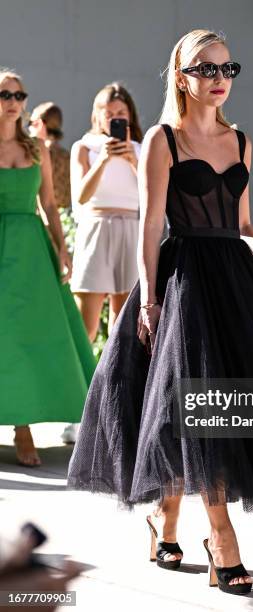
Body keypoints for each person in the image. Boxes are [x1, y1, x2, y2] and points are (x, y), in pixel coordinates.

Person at [68, 30, 253, 595]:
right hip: (183, 284)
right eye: (207, 68)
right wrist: (148, 299)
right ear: (182, 75)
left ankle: (165, 522)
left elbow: (242, 226)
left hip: (236, 286)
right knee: (193, 409)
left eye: (228, 68)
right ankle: (221, 537)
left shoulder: (240, 140)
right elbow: (151, 226)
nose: (220, 79)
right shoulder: (161, 139)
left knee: (213, 409)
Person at [0, 69, 96, 467]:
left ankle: (24, 429)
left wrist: (62, 250)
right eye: (5, 94)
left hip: (31, 251)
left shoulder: (36, 147)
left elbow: (50, 205)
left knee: (28, 334)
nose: (13, 102)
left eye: (20, 95)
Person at [70, 82, 143, 341]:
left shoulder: (141, 148)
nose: (115, 119)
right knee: (85, 326)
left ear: (130, 116)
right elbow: (80, 196)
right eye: (108, 113)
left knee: (122, 324)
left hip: (131, 230)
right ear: (97, 114)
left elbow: (152, 195)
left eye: (120, 114)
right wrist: (102, 160)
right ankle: (80, 380)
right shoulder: (84, 147)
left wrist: (133, 162)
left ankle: (114, 380)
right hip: (96, 227)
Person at [29, 102, 71, 208]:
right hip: (65, 218)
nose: (29, 128)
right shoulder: (67, 155)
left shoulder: (39, 155)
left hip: (44, 217)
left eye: (31, 123)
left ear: (40, 124)